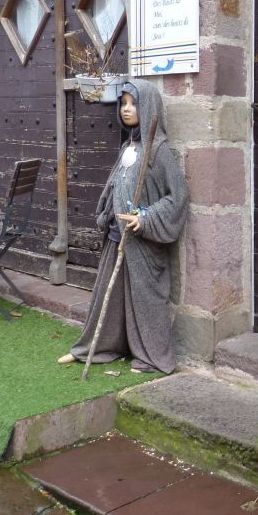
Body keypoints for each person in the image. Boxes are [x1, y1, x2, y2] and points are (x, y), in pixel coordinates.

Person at [57, 79, 188, 374]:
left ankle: (153, 357)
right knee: (109, 292)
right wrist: (107, 211)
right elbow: (116, 183)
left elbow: (177, 197)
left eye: (133, 103)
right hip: (117, 236)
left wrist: (146, 218)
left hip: (143, 240)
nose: (126, 109)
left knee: (146, 298)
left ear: (149, 107)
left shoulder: (159, 151)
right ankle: (95, 348)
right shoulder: (129, 146)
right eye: (123, 103)